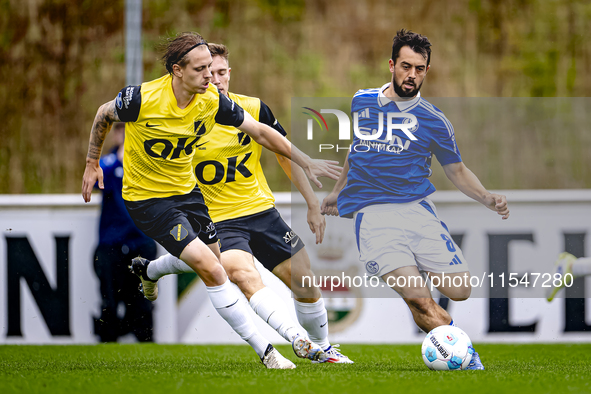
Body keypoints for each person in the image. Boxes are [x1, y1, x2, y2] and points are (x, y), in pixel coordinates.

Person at [82, 32, 341, 369]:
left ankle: (152, 270)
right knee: (218, 270)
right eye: (203, 70)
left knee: (231, 264)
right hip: (150, 200)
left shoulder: (214, 103)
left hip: (196, 197)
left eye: (216, 70)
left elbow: (262, 132)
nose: (211, 77)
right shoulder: (140, 99)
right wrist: (91, 163)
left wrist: (306, 161)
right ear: (177, 70)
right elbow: (104, 114)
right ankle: (275, 348)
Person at [321, 29, 511, 370]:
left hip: (419, 213)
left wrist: (487, 197)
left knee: (460, 290)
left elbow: (456, 170)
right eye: (406, 66)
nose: (412, 74)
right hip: (374, 218)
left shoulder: (435, 120)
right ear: (391, 65)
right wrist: (337, 192)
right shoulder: (361, 101)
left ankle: (417, 271)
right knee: (421, 302)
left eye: (420, 68)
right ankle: (464, 356)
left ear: (426, 71)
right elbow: (357, 149)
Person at [93, 122, 158, 342]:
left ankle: (146, 350)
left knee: (142, 302)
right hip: (111, 243)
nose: (124, 133)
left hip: (141, 241)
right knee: (109, 301)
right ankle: (107, 347)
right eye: (120, 128)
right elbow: (95, 181)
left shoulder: (147, 164)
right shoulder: (108, 163)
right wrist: (122, 157)